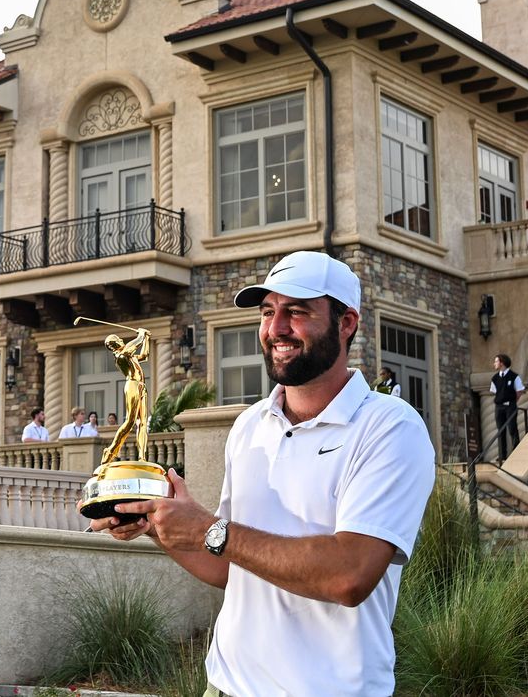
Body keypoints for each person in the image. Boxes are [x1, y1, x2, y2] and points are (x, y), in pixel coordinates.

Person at [90, 250, 435, 697]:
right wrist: (160, 525)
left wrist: (211, 529)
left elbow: (349, 575)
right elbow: (232, 570)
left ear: (346, 323)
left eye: (297, 312)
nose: (276, 329)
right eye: (268, 312)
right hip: (226, 685)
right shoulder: (250, 426)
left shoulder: (391, 427)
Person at [98, 328, 150, 465]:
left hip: (141, 386)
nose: (121, 340)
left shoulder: (130, 356)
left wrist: (147, 338)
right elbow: (134, 344)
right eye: (118, 339)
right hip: (132, 385)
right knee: (130, 422)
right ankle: (110, 451)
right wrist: (141, 335)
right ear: (113, 345)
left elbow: (144, 355)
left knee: (142, 423)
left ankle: (142, 457)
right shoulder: (121, 356)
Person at [490, 353, 526, 462]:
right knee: (500, 431)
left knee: (512, 429)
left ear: (501, 363)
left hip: (510, 406)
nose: (494, 364)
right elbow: (494, 392)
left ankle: (516, 452)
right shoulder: (495, 378)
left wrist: (512, 401)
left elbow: (519, 391)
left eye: (496, 361)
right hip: (499, 407)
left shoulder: (514, 376)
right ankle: (502, 455)